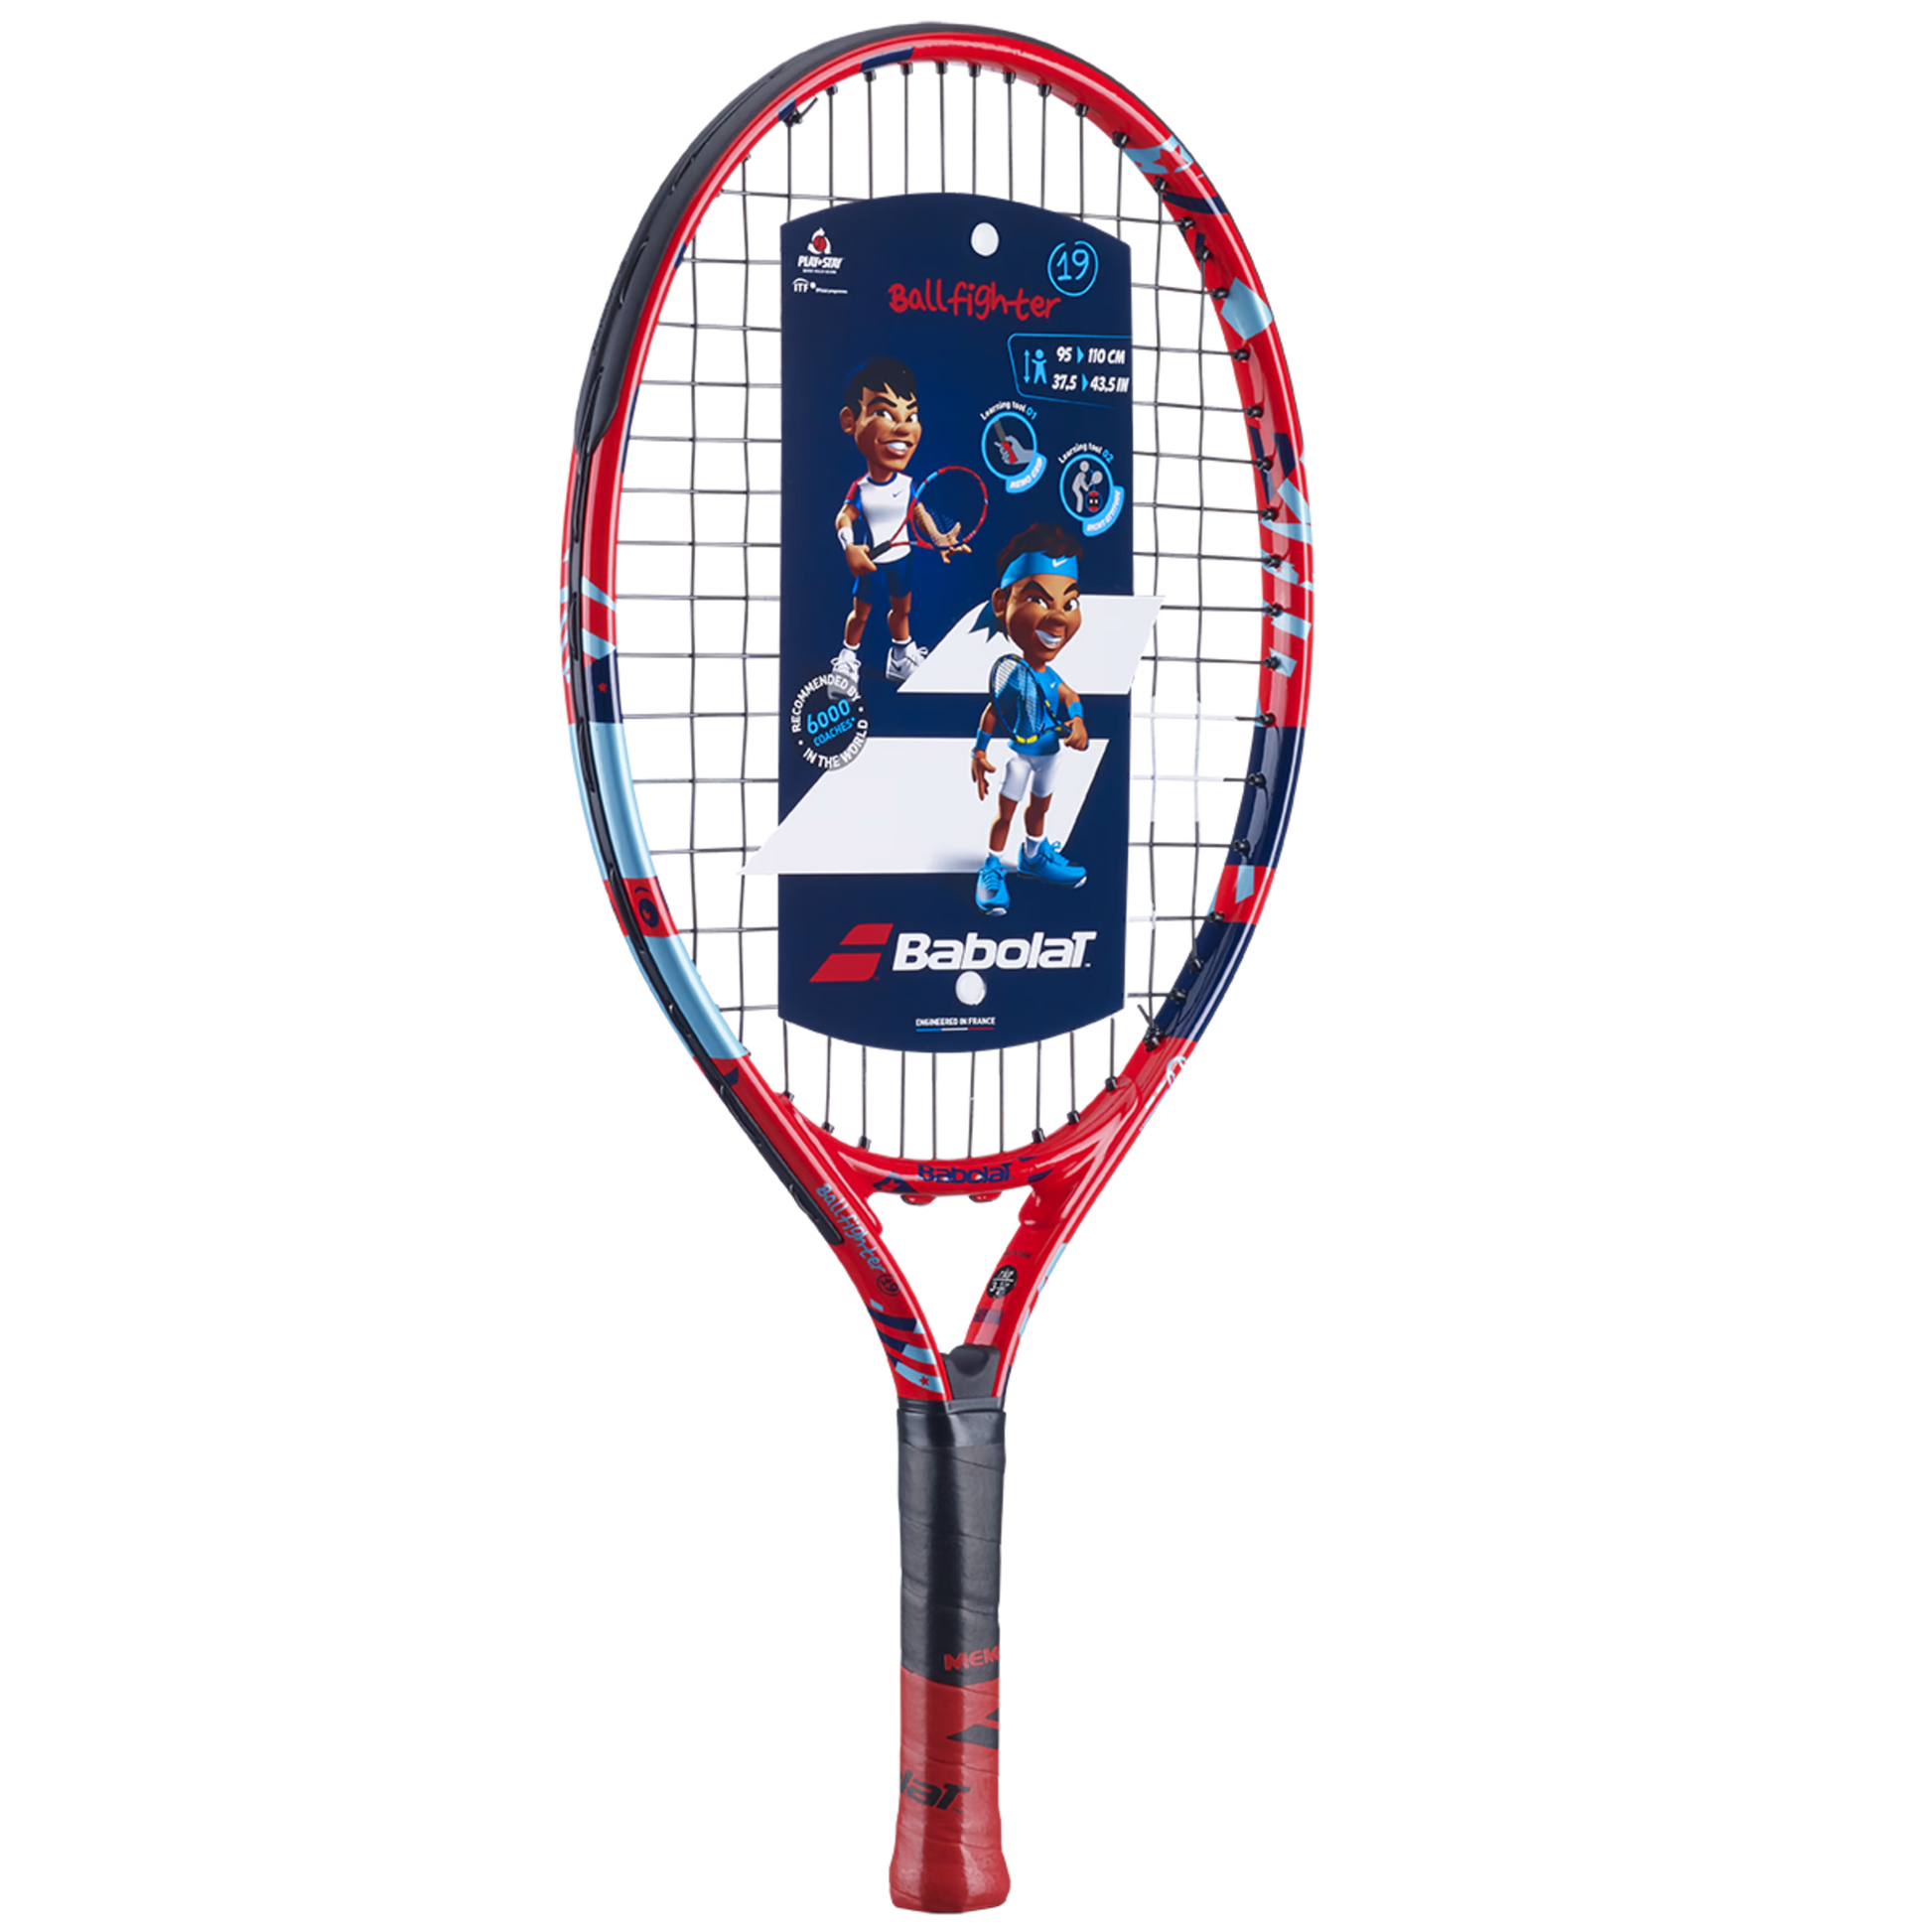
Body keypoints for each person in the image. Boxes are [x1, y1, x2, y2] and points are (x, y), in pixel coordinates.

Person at [969, 526, 1089, 915]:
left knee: (1039, 810)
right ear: (1002, 603)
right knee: (1006, 813)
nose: (1058, 618)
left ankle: (1034, 857)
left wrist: (1078, 722)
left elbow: (1070, 697)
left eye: (1070, 603)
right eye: (1038, 599)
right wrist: (979, 751)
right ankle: (991, 866)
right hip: (1021, 758)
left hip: (1050, 756)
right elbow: (993, 712)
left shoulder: (1052, 677)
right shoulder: (1016, 674)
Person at [831, 356, 968, 688]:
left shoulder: (907, 485)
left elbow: (918, 514)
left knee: (902, 611)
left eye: (912, 416)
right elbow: (844, 517)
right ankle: (847, 659)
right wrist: (850, 546)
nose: (904, 428)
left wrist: (938, 538)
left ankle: (901, 656)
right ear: (850, 421)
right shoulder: (861, 488)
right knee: (860, 614)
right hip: (872, 562)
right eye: (884, 413)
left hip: (902, 560)